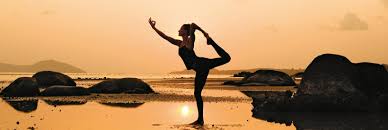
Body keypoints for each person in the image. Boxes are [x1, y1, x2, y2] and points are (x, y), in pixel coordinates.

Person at [148, 17, 231, 125]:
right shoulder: (179, 43)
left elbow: (193, 25)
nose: (178, 30)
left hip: (201, 65)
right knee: (197, 93)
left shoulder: (190, 41)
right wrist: (154, 28)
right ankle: (200, 120)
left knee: (226, 59)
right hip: (201, 67)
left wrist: (204, 33)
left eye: (180, 29)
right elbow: (165, 37)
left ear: (186, 32)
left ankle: (200, 120)